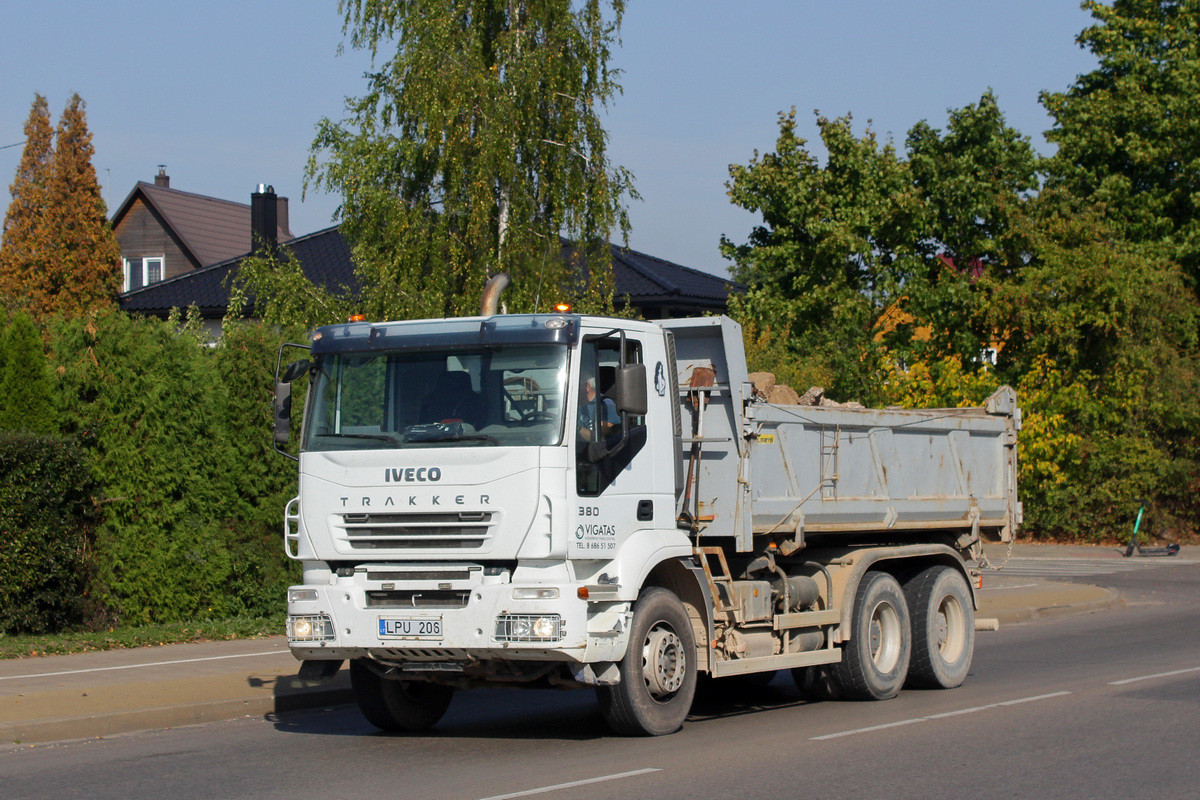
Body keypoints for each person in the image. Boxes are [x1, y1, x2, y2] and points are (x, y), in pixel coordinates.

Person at [577, 376, 618, 441]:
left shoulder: (606, 404)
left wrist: (577, 426)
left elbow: (597, 437)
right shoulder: (577, 405)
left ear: (587, 387)